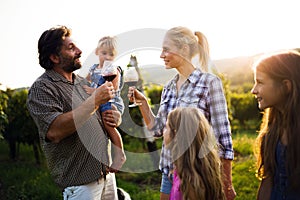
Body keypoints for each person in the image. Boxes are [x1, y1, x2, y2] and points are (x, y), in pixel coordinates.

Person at [128, 26, 236, 200]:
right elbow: (158, 130)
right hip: (169, 172)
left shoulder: (209, 83)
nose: (161, 55)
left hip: (199, 173)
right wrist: (143, 103)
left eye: (166, 49)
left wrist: (227, 183)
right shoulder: (169, 88)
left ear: (184, 49)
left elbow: (223, 137)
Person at [27, 25, 121, 199]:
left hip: (107, 176)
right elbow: (55, 131)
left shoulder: (81, 82)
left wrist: (115, 115)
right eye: (71, 48)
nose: (79, 51)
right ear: (54, 57)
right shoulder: (43, 88)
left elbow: (97, 113)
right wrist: (95, 101)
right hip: (81, 186)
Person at [251, 50, 300, 199]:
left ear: (286, 86)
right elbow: (268, 181)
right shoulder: (272, 130)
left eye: (260, 82)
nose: (253, 90)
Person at [83, 36, 126, 172]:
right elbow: (84, 82)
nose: (107, 57)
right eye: (104, 53)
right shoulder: (93, 69)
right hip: (97, 101)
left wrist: (93, 91)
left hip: (111, 101)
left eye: (111, 54)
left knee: (109, 124)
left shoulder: (114, 70)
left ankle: (120, 155)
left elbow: (111, 90)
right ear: (97, 52)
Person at [164, 107, 225, 200]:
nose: (163, 132)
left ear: (176, 134)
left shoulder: (191, 185)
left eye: (166, 127)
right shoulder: (181, 171)